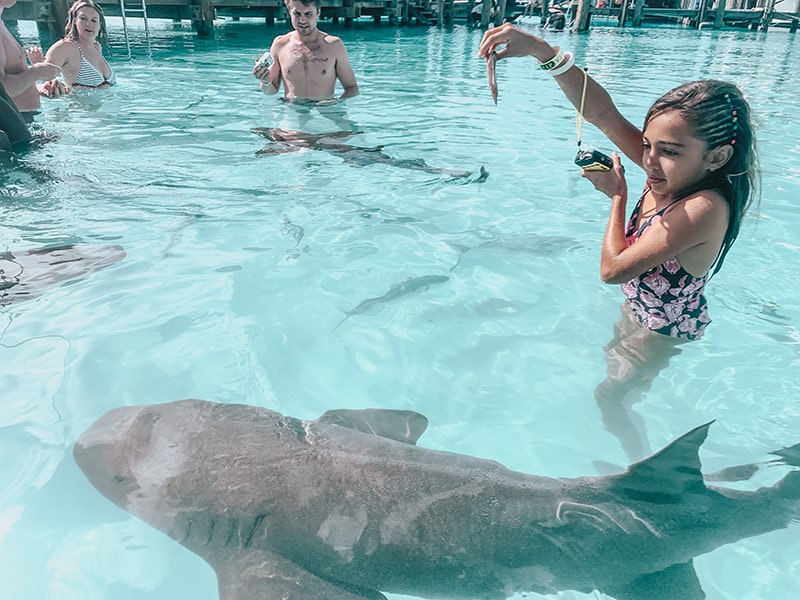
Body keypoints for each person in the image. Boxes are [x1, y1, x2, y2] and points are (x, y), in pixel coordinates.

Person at [478, 24, 758, 462]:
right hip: (639, 306)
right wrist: (542, 51)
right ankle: (671, 458)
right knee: (618, 374)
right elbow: (603, 115)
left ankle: (647, 472)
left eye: (668, 150)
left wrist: (617, 198)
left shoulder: (704, 207)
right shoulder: (667, 171)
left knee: (609, 398)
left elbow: (613, 270)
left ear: (717, 157)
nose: (648, 160)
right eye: (646, 145)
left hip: (663, 326)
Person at [252, 0, 358, 104]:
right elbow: (271, 91)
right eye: (297, 14)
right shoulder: (280, 44)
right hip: (292, 108)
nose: (302, 20)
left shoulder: (334, 45)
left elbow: (352, 88)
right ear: (289, 11)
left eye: (308, 14)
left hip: (326, 108)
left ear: (318, 12)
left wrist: (336, 103)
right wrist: (265, 81)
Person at [0, 0, 67, 120]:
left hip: (25, 119)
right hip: (15, 125)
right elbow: (1, 90)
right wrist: (36, 72)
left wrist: (38, 88)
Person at [39, 0, 115, 90]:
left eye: (94, 20)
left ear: (100, 25)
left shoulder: (97, 47)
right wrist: (37, 64)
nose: (89, 24)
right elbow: (42, 81)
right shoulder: (65, 47)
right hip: (78, 104)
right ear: (75, 21)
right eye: (83, 18)